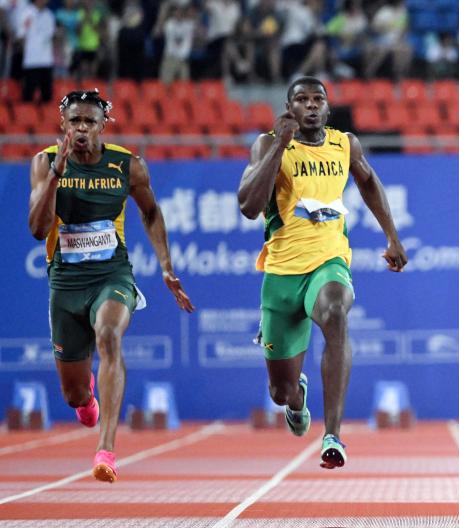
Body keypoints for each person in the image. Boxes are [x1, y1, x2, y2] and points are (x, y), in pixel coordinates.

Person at [237, 76, 408, 469]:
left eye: (318, 99)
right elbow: (249, 207)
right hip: (282, 273)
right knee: (280, 392)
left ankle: (333, 435)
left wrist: (392, 236)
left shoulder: (344, 144)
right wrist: (279, 145)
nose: (311, 105)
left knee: (335, 310)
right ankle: (297, 398)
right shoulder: (267, 144)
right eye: (301, 99)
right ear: (289, 109)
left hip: (329, 261)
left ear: (328, 109)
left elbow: (368, 181)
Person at [27, 89, 195, 483]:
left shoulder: (127, 165)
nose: (82, 128)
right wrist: (56, 175)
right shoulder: (44, 162)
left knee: (108, 335)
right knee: (73, 395)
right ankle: (86, 396)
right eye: (75, 121)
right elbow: (37, 229)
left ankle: (106, 450)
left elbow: (151, 212)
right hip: (65, 282)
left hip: (112, 274)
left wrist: (166, 267)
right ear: (63, 125)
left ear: (103, 125)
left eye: (90, 121)